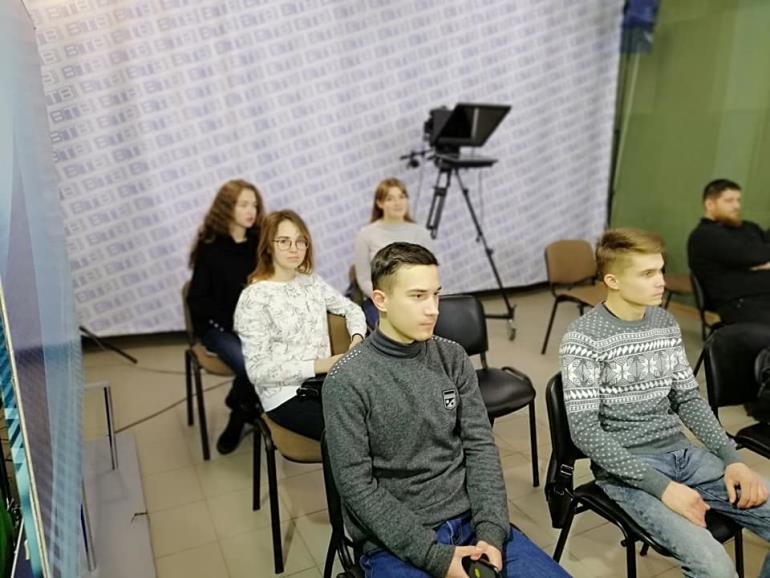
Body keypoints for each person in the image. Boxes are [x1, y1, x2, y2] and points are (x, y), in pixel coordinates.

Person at [324, 242, 569, 578]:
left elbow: (480, 448)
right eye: (417, 296)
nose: (433, 309)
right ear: (381, 300)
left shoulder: (452, 357)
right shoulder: (347, 379)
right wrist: (434, 556)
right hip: (396, 541)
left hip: (470, 523)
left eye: (436, 295)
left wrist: (490, 532)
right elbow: (356, 486)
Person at [560, 228, 770, 578]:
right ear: (613, 281)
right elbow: (585, 433)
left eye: (660, 270)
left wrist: (731, 458)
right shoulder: (583, 338)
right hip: (629, 468)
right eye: (647, 274)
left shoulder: (664, 322)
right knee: (715, 568)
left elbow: (687, 398)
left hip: (684, 455)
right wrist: (664, 489)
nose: (661, 282)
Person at [234, 210, 366, 440]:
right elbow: (258, 372)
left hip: (325, 383)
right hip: (286, 395)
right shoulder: (254, 297)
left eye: (300, 241)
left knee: (381, 418)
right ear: (269, 246)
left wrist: (357, 339)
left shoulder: (310, 281)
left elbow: (351, 309)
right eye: (284, 241)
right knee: (351, 435)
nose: (294, 248)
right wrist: (320, 365)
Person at [187, 179, 265, 455]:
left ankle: (238, 400)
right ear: (226, 207)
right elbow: (198, 299)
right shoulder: (210, 247)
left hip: (253, 326)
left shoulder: (259, 243)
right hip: (217, 326)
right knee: (249, 363)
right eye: (243, 204)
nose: (251, 211)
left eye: (254, 205)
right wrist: (234, 323)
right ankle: (239, 416)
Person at [687, 178, 770, 324]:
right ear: (709, 204)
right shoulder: (704, 236)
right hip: (741, 304)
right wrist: (760, 261)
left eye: (738, 200)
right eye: (729, 201)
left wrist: (759, 263)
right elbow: (753, 255)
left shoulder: (747, 227)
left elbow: (761, 250)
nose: (737, 206)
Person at [354, 178, 434, 328]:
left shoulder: (421, 233)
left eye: (401, 197)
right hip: (382, 301)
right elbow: (364, 279)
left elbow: (431, 275)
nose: (398, 203)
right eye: (390, 199)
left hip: (417, 299)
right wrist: (389, 300)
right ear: (379, 203)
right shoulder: (366, 234)